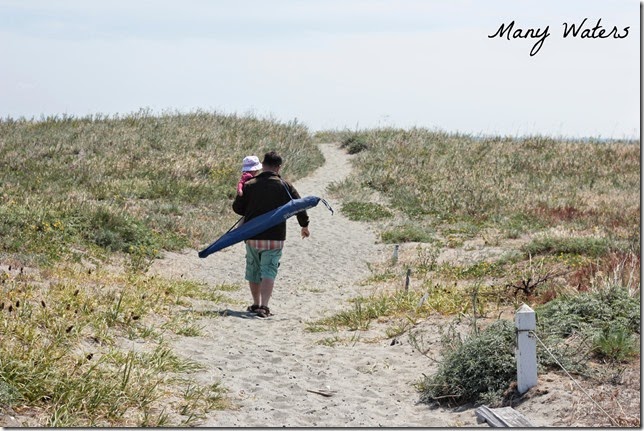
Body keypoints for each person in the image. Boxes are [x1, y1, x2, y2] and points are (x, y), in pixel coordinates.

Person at [232, 151, 310, 318]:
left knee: (253, 269)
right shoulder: (284, 185)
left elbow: (238, 209)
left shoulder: (250, 184)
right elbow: (299, 205)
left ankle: (255, 304)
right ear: (278, 167)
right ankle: (264, 307)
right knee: (269, 270)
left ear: (263, 165)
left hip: (252, 235)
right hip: (275, 236)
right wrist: (304, 225)